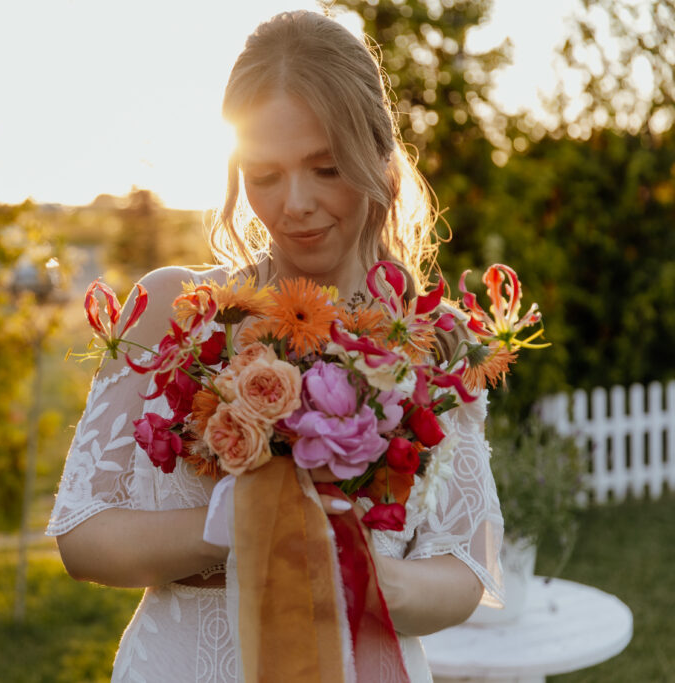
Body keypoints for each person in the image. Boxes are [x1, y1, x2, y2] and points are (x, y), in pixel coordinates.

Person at [47, 10, 504, 682]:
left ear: (378, 155)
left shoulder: (431, 341)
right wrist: (239, 523)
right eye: (265, 175)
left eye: (325, 167)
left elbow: (464, 566)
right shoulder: (174, 311)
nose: (296, 203)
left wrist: (365, 574)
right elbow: (83, 537)